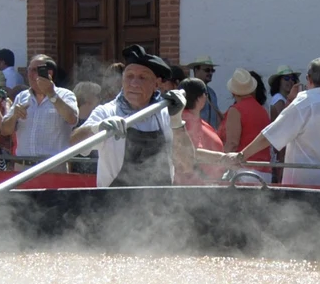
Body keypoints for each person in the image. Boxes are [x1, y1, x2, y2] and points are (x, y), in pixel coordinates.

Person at [73, 45, 193, 187]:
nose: (134, 84)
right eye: (129, 76)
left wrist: (177, 121)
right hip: (113, 203)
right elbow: (74, 144)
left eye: (142, 77)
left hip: (160, 205)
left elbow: (186, 165)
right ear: (122, 80)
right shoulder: (106, 112)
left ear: (157, 84)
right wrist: (95, 129)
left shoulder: (166, 114)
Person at [231, 58, 320, 187]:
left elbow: (270, 136)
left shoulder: (303, 104)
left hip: (301, 191)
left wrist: (241, 155)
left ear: (308, 78)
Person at [1, 54, 78, 161]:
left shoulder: (65, 95)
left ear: (49, 73)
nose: (30, 75)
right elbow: (5, 130)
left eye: (35, 70)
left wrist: (51, 94)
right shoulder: (21, 96)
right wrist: (14, 116)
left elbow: (72, 119)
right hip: (23, 166)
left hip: (52, 168)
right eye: (29, 70)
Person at [179, 78, 227, 182]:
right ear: (201, 97)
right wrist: (224, 158)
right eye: (205, 94)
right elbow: (193, 153)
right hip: (196, 186)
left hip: (202, 184)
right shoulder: (188, 120)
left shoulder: (189, 118)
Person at [221, 68, 270, 154]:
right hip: (263, 164)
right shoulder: (262, 110)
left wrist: (219, 162)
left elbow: (232, 144)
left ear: (233, 92)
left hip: (243, 164)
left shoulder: (236, 110)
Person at [185, 56, 223, 130]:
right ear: (196, 70)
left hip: (210, 136)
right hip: (196, 135)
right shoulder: (189, 91)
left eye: (212, 70)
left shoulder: (212, 93)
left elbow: (216, 117)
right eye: (207, 70)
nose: (210, 73)